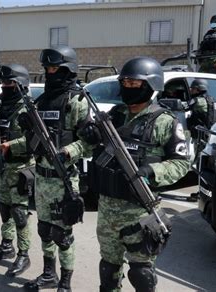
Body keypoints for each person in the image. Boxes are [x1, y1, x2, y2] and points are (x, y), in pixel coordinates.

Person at [81, 57, 189, 292]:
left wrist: (152, 170)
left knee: (141, 274)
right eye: (125, 82)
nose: (127, 87)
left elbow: (182, 164)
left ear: (150, 85)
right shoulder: (115, 116)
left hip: (139, 211)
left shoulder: (165, 122)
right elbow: (90, 147)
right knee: (108, 270)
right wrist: (87, 137)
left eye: (133, 83)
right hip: (108, 209)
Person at [2, 46, 88, 291]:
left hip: (63, 179)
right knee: (45, 230)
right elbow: (32, 141)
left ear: (68, 70)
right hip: (41, 177)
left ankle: (66, 282)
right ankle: (48, 274)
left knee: (63, 235)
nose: (50, 73)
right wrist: (21, 135)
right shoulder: (41, 101)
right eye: (48, 69)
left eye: (55, 69)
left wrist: (68, 151)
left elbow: (90, 143)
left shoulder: (77, 102)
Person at [0, 64, 35, 277]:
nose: (5, 86)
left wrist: (10, 145)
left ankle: (24, 254)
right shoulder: (0, 104)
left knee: (20, 213)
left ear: (20, 84)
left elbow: (34, 139)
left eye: (10, 83)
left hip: (20, 167)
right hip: (2, 167)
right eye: (3, 83)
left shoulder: (28, 108)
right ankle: (6, 245)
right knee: (5, 209)